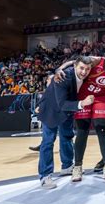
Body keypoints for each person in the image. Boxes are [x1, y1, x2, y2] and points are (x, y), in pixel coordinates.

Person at [56, 47, 105, 181]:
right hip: (83, 96)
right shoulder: (96, 61)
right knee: (82, 130)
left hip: (101, 98)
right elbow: (74, 62)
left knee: (101, 127)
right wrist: (59, 69)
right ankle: (77, 167)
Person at [37, 56, 93, 189]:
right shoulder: (63, 77)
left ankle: (67, 166)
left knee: (67, 136)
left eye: (87, 69)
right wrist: (82, 103)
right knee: (48, 141)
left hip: (67, 110)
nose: (84, 72)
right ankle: (45, 175)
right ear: (75, 67)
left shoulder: (80, 70)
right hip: (52, 109)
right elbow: (62, 104)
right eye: (81, 68)